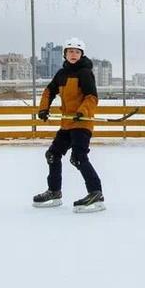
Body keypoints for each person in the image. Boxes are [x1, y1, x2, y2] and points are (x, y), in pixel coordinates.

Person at [31, 38, 104, 212]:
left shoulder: (85, 73)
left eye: (77, 52)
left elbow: (92, 97)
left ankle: (96, 193)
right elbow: (49, 91)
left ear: (81, 55)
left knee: (78, 157)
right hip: (67, 123)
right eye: (70, 51)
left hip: (82, 123)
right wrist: (43, 108)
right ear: (65, 54)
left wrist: (82, 112)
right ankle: (54, 191)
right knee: (52, 155)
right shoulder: (61, 74)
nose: (73, 55)